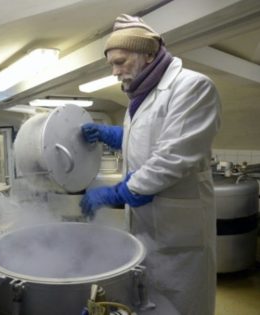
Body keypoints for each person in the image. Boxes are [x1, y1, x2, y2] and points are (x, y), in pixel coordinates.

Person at [80, 14, 221, 315]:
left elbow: (172, 158)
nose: (115, 72)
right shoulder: (140, 95)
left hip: (180, 234)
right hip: (146, 228)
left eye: (120, 62)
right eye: (112, 65)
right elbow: (149, 138)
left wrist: (115, 193)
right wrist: (114, 135)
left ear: (149, 53)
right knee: (149, 301)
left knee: (182, 304)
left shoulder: (193, 87)